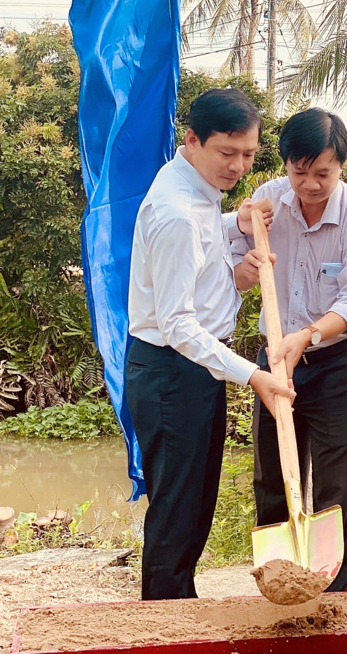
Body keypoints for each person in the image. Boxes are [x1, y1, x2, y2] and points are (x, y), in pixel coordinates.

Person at [127, 88, 294, 601]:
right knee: (178, 512)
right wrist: (254, 374)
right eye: (228, 152)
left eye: (249, 154)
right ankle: (165, 622)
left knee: (195, 505)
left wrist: (235, 224)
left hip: (192, 371)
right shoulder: (176, 212)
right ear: (192, 139)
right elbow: (177, 324)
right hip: (172, 371)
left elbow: (203, 237)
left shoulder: (194, 191)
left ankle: (178, 608)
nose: (239, 166)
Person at [231, 108, 347, 592]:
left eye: (323, 173)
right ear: (286, 165)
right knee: (272, 475)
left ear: (342, 164)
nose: (310, 184)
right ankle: (278, 587)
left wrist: (310, 336)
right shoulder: (267, 204)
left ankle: (333, 593)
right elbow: (232, 271)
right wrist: (246, 257)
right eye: (300, 172)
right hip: (275, 359)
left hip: (337, 362)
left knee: (337, 486)